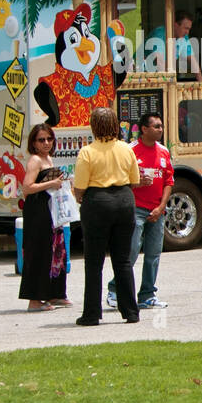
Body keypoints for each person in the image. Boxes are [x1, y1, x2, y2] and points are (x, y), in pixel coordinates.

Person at [72, 106, 142, 326]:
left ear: (94, 126)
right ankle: (131, 311)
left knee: (94, 261)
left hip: (97, 201)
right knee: (122, 260)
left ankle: (92, 314)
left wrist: (81, 197)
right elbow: (135, 180)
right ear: (115, 125)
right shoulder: (126, 149)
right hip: (124, 199)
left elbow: (80, 187)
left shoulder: (87, 152)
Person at [106, 112, 173, 310]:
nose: (160, 130)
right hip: (135, 209)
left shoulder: (163, 151)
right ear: (144, 129)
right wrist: (136, 183)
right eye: (156, 126)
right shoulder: (130, 150)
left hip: (157, 211)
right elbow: (118, 180)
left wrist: (161, 207)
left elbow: (169, 181)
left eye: (161, 126)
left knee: (153, 254)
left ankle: (147, 295)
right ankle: (115, 289)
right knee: (131, 251)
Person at [18, 123, 71, 312]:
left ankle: (55, 293)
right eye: (41, 140)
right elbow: (27, 187)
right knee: (39, 252)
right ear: (34, 142)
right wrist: (50, 183)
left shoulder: (48, 158)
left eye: (49, 139)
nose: (46, 143)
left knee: (57, 251)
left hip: (51, 209)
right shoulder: (35, 160)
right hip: (37, 210)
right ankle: (34, 299)